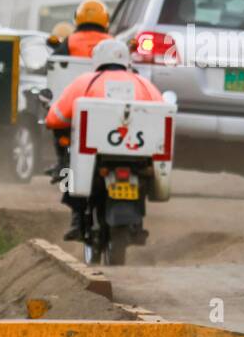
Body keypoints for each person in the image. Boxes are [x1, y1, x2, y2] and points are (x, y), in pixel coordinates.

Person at [44, 38, 164, 240]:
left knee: (66, 167)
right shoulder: (144, 83)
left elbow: (56, 119)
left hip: (96, 158)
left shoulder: (85, 81)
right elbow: (161, 113)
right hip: (138, 155)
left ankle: (77, 219)